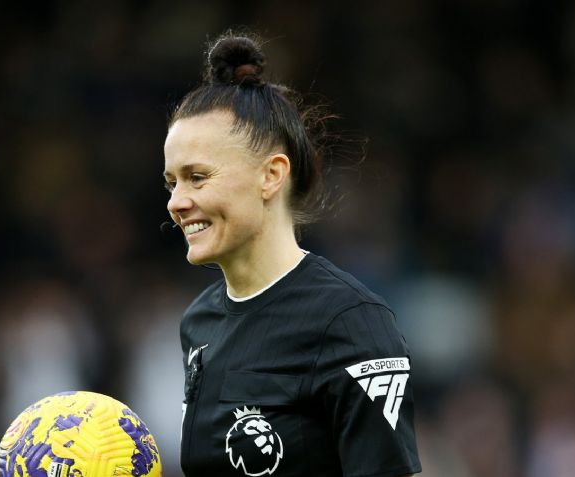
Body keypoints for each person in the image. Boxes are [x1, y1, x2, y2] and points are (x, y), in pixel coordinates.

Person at [163, 32, 421, 477]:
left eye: (197, 177)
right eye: (172, 182)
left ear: (271, 175)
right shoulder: (198, 323)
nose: (176, 202)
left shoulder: (349, 322)